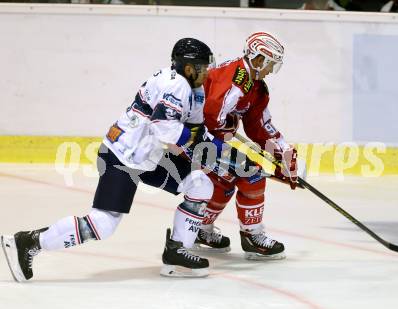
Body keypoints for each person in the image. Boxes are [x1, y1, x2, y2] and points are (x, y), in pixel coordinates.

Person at [1, 37, 220, 280]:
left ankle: (176, 252)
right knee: (103, 224)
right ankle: (29, 242)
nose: (207, 73)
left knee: (199, 184)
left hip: (148, 157)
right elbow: (165, 129)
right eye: (203, 67)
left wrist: (217, 150)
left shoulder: (195, 90)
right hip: (122, 156)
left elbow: (195, 131)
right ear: (189, 67)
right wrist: (214, 152)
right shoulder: (176, 85)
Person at [194, 31, 300, 260]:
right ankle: (252, 235)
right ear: (258, 58)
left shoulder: (256, 86)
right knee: (251, 174)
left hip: (208, 138)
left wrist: (283, 154)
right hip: (194, 136)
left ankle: (200, 229)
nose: (271, 70)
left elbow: (259, 127)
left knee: (227, 178)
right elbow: (212, 115)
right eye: (270, 64)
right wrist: (226, 128)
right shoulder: (236, 77)